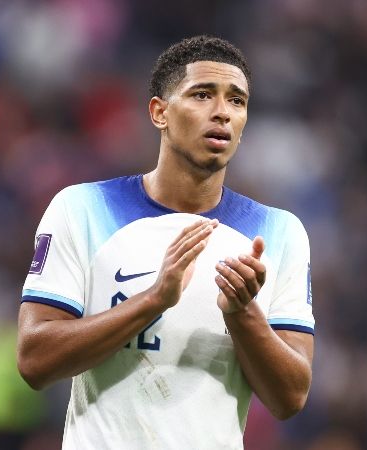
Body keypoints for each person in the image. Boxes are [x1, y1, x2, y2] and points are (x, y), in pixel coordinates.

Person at [17, 35, 315, 449]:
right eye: (202, 95)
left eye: (236, 101)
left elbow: (291, 397)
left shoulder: (279, 232)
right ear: (160, 112)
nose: (222, 113)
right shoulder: (82, 208)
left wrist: (243, 312)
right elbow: (34, 360)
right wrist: (154, 299)